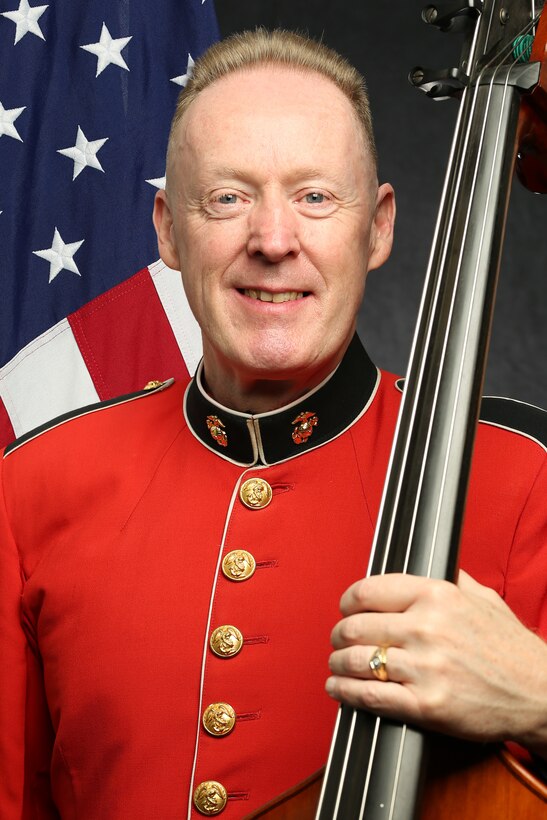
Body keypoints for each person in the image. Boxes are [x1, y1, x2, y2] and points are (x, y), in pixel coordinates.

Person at [0, 28, 546, 819]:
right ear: (166, 231)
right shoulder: (35, 483)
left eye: (315, 196)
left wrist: (538, 699)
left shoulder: (520, 475)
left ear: (380, 226)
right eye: (227, 198)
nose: (272, 240)